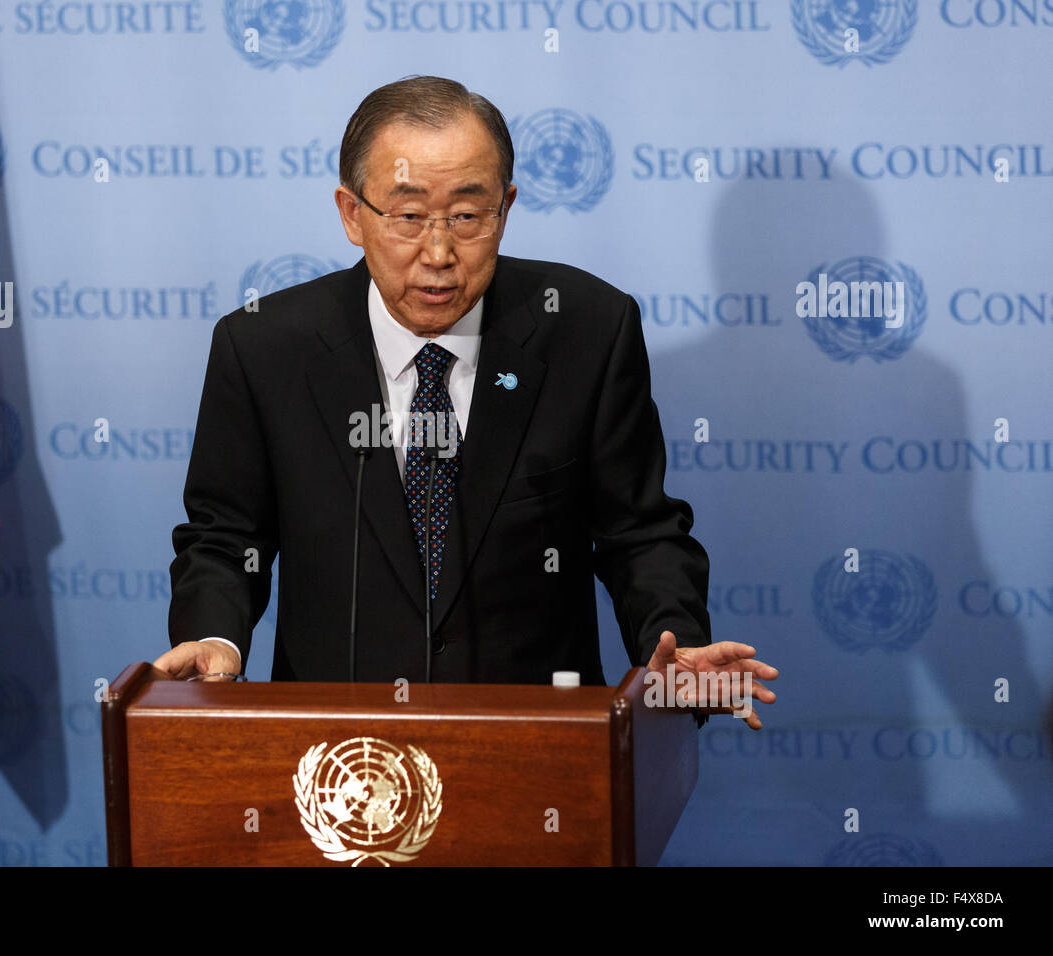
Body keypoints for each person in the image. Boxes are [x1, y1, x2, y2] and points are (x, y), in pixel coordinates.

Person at [158, 76, 776, 728]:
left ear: (505, 208)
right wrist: (215, 639)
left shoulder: (587, 330)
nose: (439, 253)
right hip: (338, 755)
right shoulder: (263, 348)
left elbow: (640, 535)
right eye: (408, 215)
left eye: (467, 215)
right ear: (351, 214)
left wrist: (667, 644)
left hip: (539, 750)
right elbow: (225, 540)